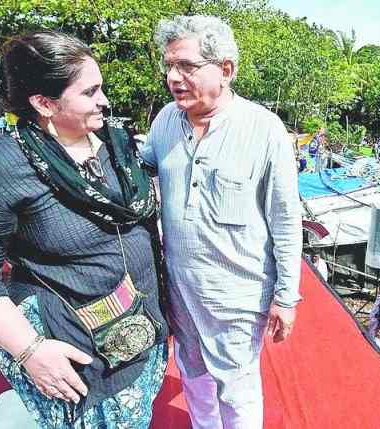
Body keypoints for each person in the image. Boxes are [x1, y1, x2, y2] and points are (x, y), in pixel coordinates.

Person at [0, 31, 168, 428]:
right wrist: (30, 351)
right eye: (90, 92)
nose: (104, 101)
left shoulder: (116, 144)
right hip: (76, 361)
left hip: (141, 338)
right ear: (44, 103)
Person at [141, 16, 302, 429]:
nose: (173, 77)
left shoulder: (263, 129)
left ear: (225, 70)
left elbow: (285, 219)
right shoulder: (164, 121)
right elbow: (137, 175)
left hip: (236, 293)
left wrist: (286, 297)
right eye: (169, 66)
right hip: (179, 288)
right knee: (192, 373)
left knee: (237, 387)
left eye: (187, 66)